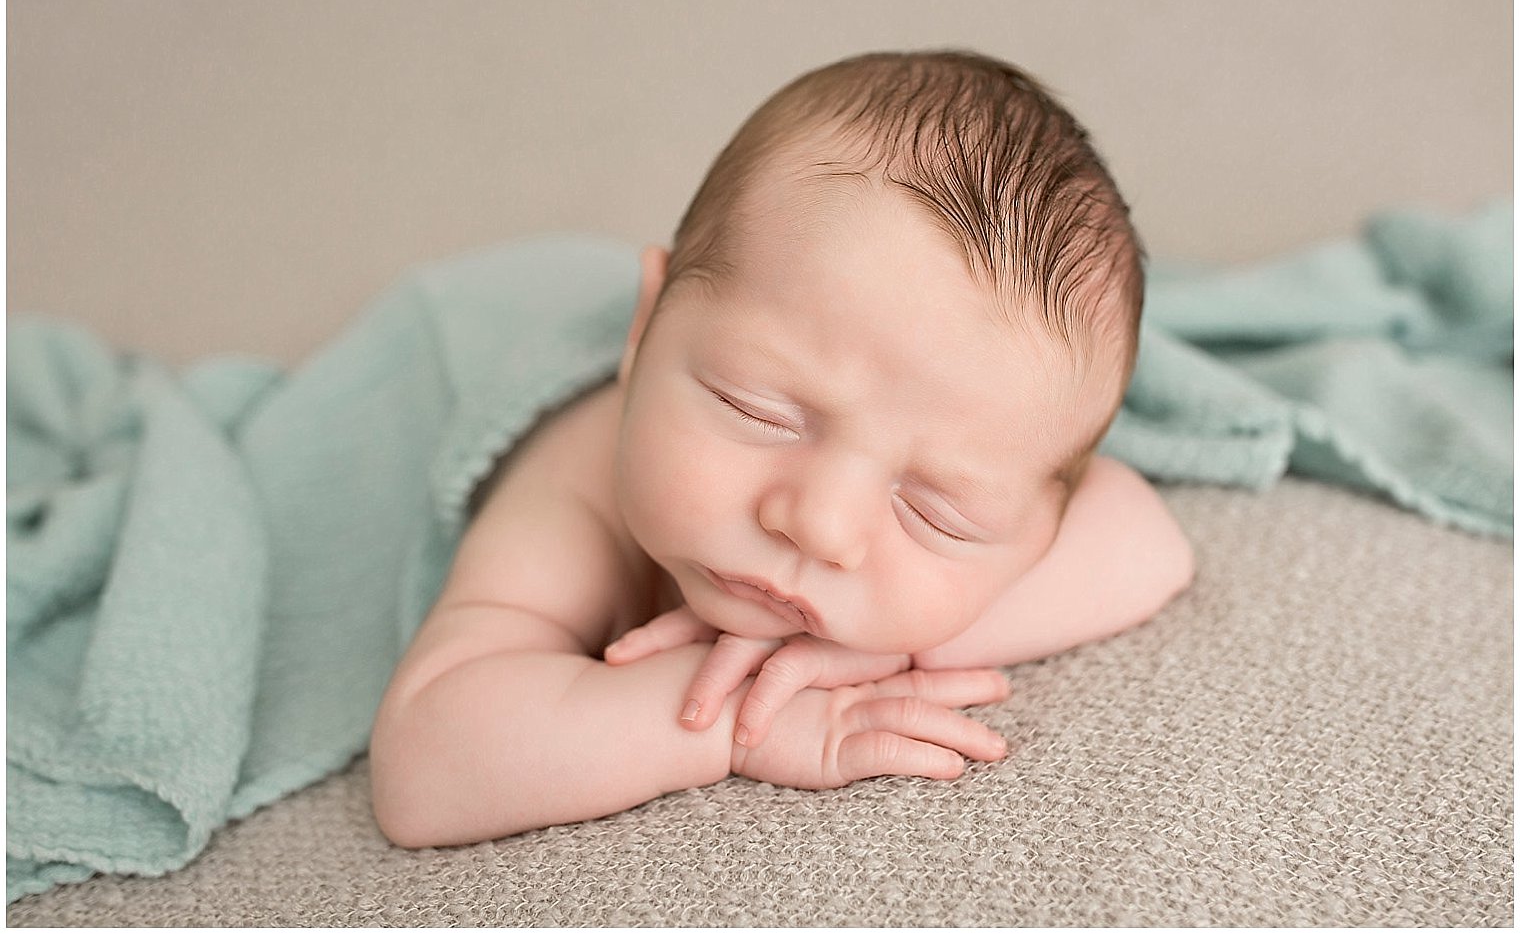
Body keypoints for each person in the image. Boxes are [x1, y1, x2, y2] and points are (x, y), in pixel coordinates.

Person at [368, 50, 1195, 848]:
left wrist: (882, 641)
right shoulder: (575, 492)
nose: (820, 525)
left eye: (934, 510)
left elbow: (1149, 543)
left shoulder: (997, 466)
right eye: (757, 410)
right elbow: (427, 764)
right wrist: (728, 715)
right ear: (643, 327)